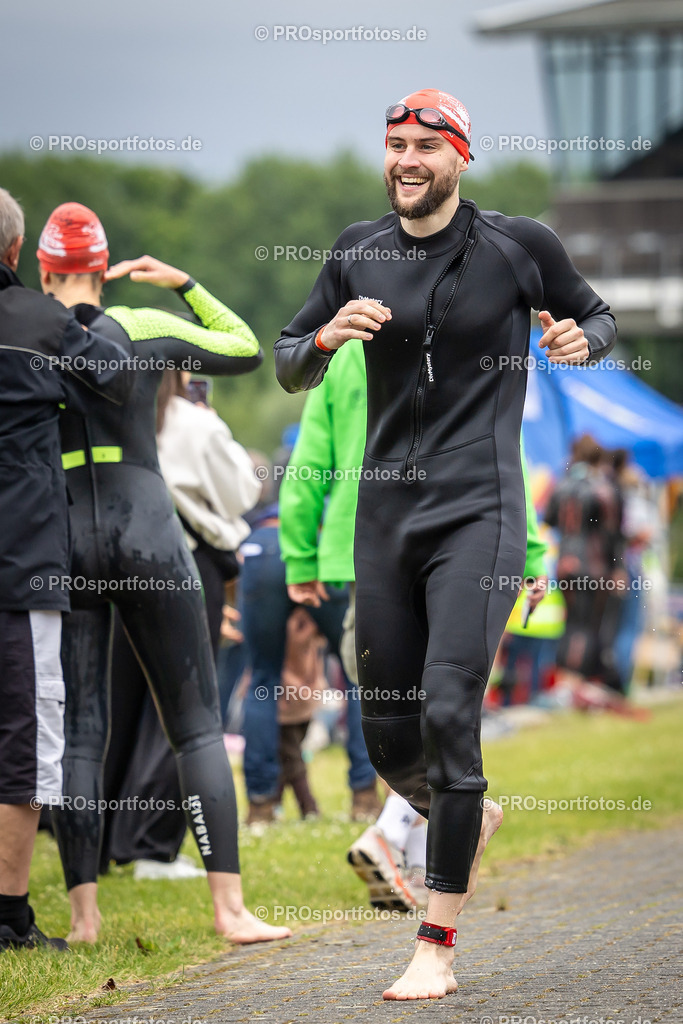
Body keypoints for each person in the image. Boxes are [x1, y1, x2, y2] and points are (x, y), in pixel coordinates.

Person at [274, 89, 616, 999]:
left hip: (481, 511)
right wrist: (323, 340)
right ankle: (464, 810)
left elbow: (599, 315)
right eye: (394, 145)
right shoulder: (356, 250)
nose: (406, 160)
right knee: (388, 737)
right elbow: (283, 357)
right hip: (384, 521)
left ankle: (436, 946)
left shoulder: (517, 245)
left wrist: (583, 338)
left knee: (448, 714)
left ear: (459, 156)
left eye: (426, 145)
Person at [37, 202, 290, 946]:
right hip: (146, 526)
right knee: (196, 727)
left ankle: (83, 919)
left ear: (44, 270)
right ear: (102, 271)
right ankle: (230, 911)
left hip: (69, 537)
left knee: (82, 729)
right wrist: (184, 283)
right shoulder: (139, 327)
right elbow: (243, 348)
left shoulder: (24, 336)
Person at [278, 339, 547, 911]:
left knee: (400, 706)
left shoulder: (344, 351)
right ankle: (406, 840)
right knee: (425, 710)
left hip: (368, 545)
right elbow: (503, 454)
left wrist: (300, 553)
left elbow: (310, 459)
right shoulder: (457, 341)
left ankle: (408, 846)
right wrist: (531, 552)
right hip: (446, 542)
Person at [0, 188, 130, 950]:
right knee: (25, 736)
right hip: (18, 566)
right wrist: (81, 314)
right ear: (14, 254)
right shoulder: (41, 322)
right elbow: (113, 377)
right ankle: (10, 916)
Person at [101, 369, 260, 878]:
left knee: (115, 706)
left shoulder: (108, 415)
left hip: (117, 567)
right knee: (186, 709)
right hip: (185, 566)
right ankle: (150, 843)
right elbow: (242, 494)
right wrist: (212, 421)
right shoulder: (194, 422)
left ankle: (100, 842)